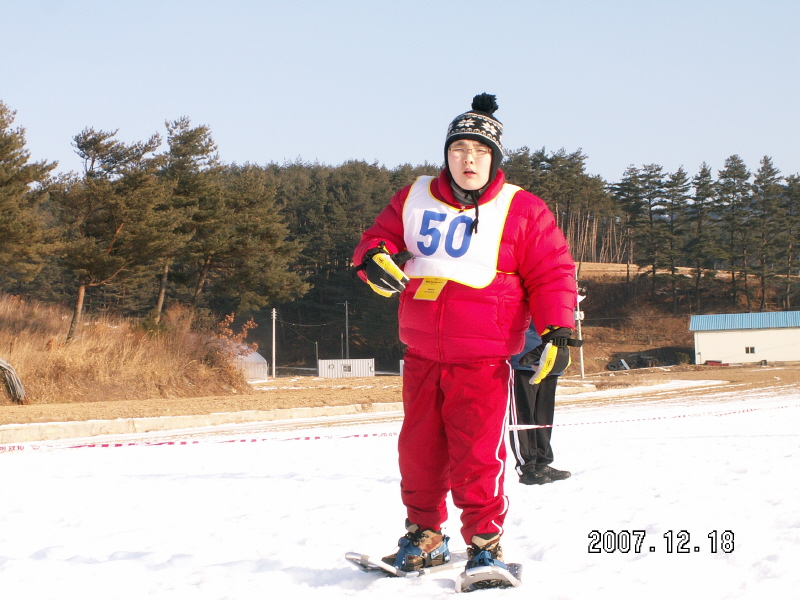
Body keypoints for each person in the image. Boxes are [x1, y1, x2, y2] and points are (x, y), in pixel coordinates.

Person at [352, 93, 577, 586]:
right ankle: (426, 537)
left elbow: (552, 272)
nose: (468, 159)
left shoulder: (522, 208)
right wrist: (372, 257)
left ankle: (485, 545)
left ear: (494, 157)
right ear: (446, 155)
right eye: (458, 150)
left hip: (482, 356)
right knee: (418, 450)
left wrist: (557, 327)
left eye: (478, 150)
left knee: (476, 453)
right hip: (421, 353)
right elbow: (378, 238)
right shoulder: (413, 197)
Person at [509, 323, 577, 485]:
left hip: (551, 358)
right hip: (522, 360)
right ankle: (527, 467)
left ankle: (541, 462)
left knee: (543, 416)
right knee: (523, 415)